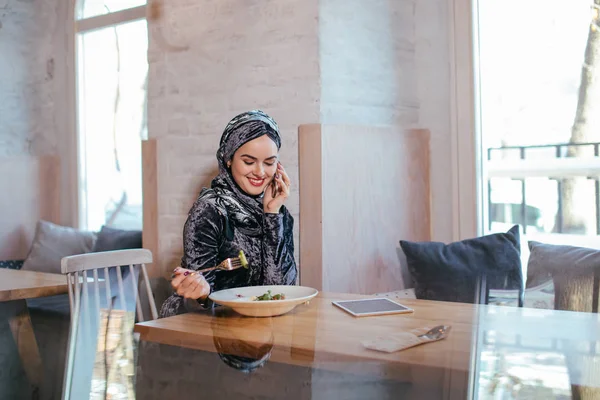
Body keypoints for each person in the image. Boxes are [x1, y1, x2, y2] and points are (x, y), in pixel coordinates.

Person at [159, 110, 297, 317]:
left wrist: (272, 215)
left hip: (256, 330)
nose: (260, 172)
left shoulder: (278, 213)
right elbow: (198, 305)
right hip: (201, 330)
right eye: (249, 162)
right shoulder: (209, 210)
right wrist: (201, 292)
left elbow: (280, 293)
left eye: (269, 162)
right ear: (228, 159)